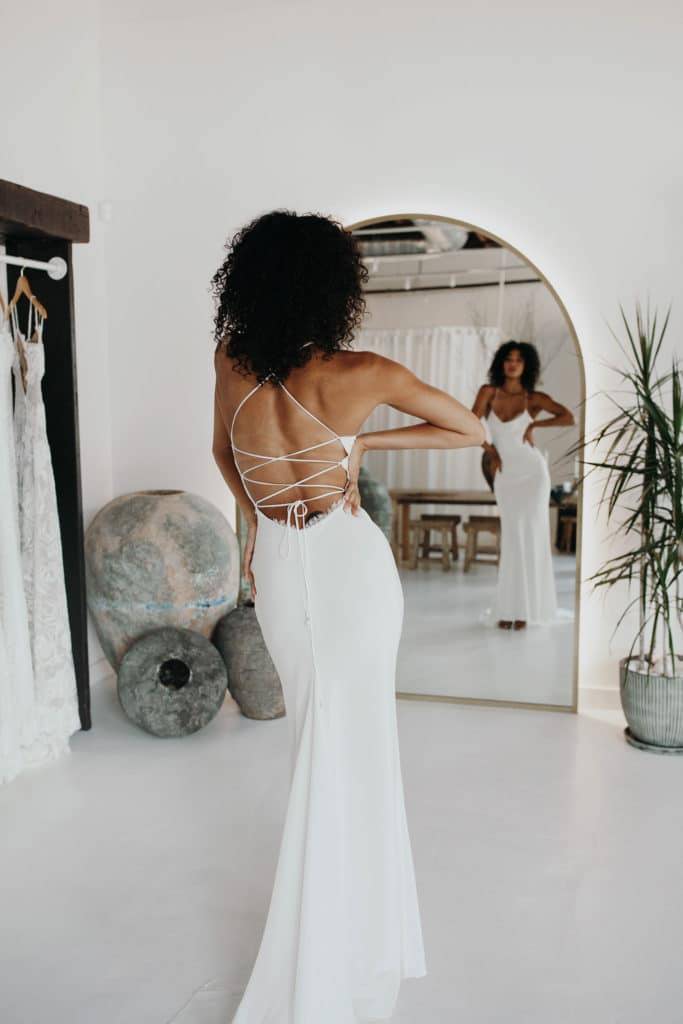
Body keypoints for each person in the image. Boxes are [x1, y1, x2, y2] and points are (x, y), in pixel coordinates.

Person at [211, 209, 485, 1023]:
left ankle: (331, 933)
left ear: (251, 282)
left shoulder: (231, 362)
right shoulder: (359, 371)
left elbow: (223, 453)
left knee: (319, 740)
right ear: (334, 288)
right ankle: (348, 936)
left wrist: (259, 523)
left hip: (283, 569)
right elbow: (467, 427)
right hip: (348, 559)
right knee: (351, 742)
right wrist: (362, 447)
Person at [472, 340, 575, 630]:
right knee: (512, 539)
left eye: (518, 359)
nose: (512, 363)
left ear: (526, 365)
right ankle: (508, 609)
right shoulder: (488, 393)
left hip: (533, 474)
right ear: (501, 363)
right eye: (508, 358)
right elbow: (471, 425)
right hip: (506, 475)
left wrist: (534, 426)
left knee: (532, 537)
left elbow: (569, 417)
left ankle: (527, 612)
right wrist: (490, 451)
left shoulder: (533, 398)